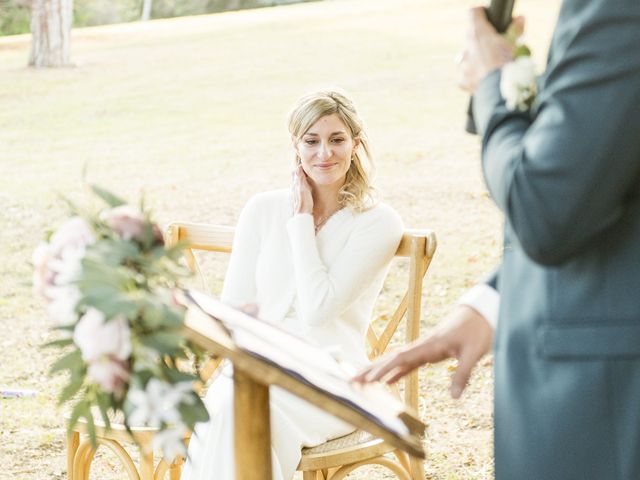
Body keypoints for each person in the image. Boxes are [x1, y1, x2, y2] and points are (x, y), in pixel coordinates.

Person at [356, 2, 640, 479]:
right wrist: (492, 303)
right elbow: (605, 174)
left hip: (604, 406)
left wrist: (493, 83)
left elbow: (545, 205)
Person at [181, 90, 404, 480]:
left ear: (356, 144)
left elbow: (319, 310)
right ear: (295, 145)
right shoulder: (262, 209)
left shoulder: (378, 222)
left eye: (337, 140)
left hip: (335, 379)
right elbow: (234, 312)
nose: (325, 154)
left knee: (248, 412)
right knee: (230, 406)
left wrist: (301, 220)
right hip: (255, 369)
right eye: (311, 141)